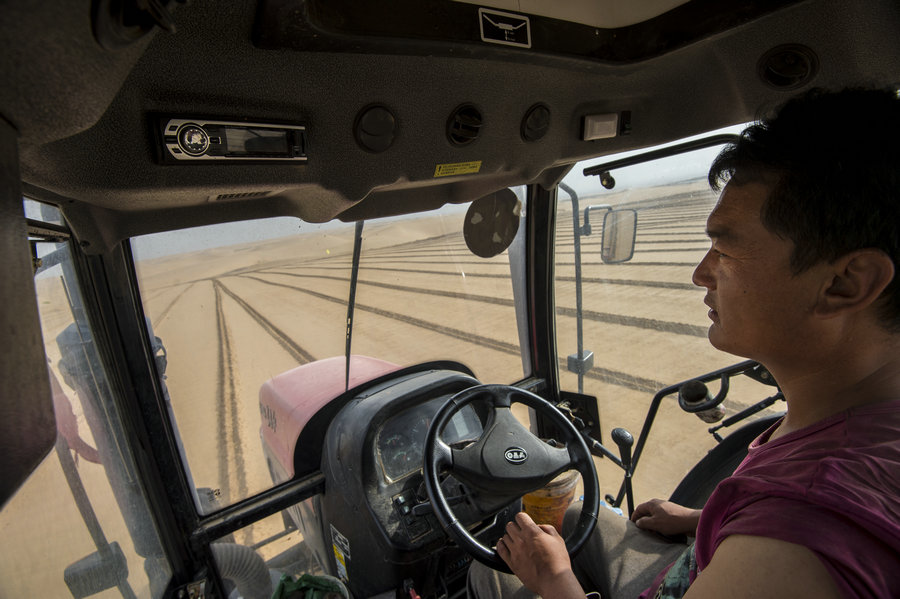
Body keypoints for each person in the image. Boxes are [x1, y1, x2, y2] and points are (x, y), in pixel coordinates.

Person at [468, 87, 900, 598]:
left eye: (725, 248)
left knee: (493, 572)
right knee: (583, 512)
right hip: (699, 559)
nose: (701, 274)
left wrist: (553, 579)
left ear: (845, 283)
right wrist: (704, 520)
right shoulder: (852, 415)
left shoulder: (791, 553)